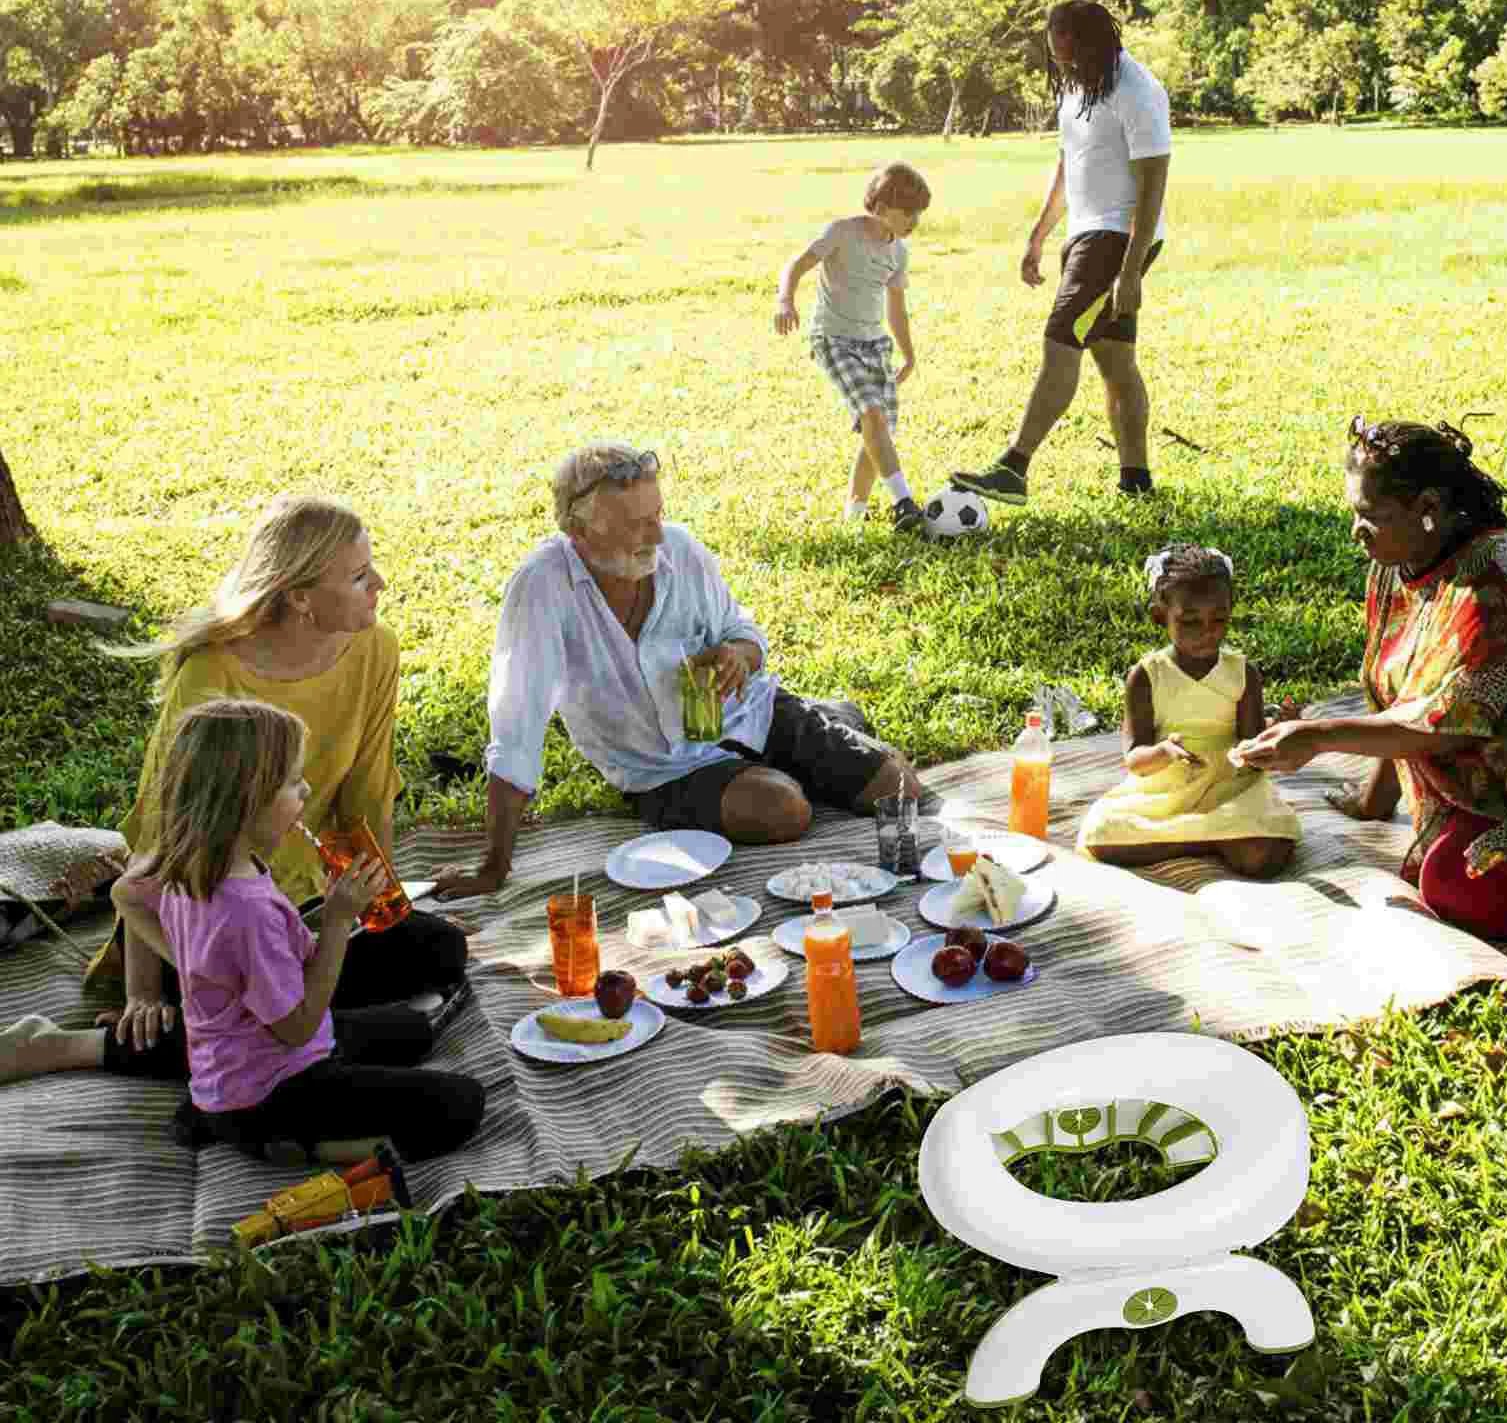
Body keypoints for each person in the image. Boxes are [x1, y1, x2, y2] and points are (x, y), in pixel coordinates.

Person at [3, 495, 466, 1084]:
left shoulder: (376, 649)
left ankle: (323, 1021)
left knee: (439, 950)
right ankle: (69, 1048)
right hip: (208, 919)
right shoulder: (212, 673)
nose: (379, 583)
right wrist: (141, 988)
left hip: (303, 913)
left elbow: (367, 794)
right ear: (299, 597)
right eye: (357, 576)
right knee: (321, 1029)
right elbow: (166, 833)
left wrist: (383, 909)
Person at [432, 443, 923, 900]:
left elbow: (743, 631)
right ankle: (821, 738)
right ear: (578, 531)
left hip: (749, 712)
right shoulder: (541, 588)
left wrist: (736, 654)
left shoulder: (680, 550)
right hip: (663, 766)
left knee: (902, 790)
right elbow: (516, 727)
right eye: (635, 524)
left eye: (658, 515)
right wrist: (492, 867)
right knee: (785, 811)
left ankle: (828, 724)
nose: (658, 535)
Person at [1233, 419, 1507, 942]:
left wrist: (1319, 737)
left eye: (1369, 516)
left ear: (1428, 508)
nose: (1355, 531)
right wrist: (1373, 800)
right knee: (1448, 882)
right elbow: (1400, 696)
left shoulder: (1495, 577)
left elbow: (1451, 724)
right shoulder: (1395, 565)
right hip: (1502, 785)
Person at [109, 699, 484, 1163]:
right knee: (460, 1104)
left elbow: (124, 894)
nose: (306, 789)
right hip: (273, 1090)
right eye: (292, 782)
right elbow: (298, 1026)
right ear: (249, 800)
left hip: (235, 1071)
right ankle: (291, 1143)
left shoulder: (200, 867)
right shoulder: (244, 909)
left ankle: (217, 1113)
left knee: (411, 1031)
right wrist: (336, 921)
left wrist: (199, 964)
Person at [952, 0, 1171, 504]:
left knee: (1060, 340)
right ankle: (1136, 481)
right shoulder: (1079, 86)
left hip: (1118, 237)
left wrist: (1132, 269)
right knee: (1114, 359)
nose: (1064, 67)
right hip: (1086, 233)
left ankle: (1014, 466)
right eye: (1057, 59)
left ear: (1097, 44)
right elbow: (1068, 163)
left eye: (1071, 57)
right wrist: (1040, 233)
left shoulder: (1138, 92)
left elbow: (1153, 182)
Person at [1078, 544, 1300, 878]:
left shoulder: (1243, 673)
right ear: (1160, 616)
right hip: (1166, 790)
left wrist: (1278, 732)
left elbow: (1253, 751)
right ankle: (1213, 839)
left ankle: (1191, 836)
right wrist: (1164, 752)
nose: (1207, 631)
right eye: (1190, 621)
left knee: (1267, 852)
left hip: (1230, 787)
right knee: (1100, 834)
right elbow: (1136, 760)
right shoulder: (1147, 676)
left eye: (1219, 619)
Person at [774, 161, 932, 534]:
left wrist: (908, 353)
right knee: (872, 416)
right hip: (834, 340)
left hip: (875, 345)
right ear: (880, 207)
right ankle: (904, 503)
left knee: (876, 434)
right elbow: (796, 264)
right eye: (909, 212)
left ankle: (854, 517)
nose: (915, 221)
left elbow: (897, 308)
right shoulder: (842, 232)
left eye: (919, 214)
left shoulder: (899, 253)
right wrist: (785, 299)